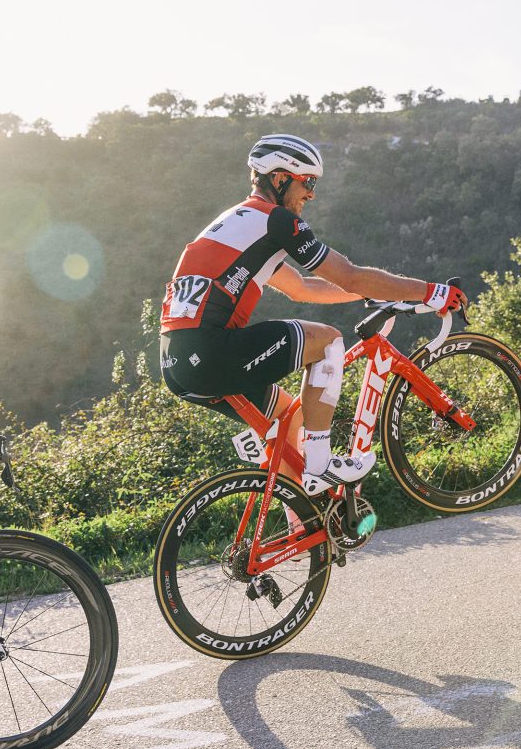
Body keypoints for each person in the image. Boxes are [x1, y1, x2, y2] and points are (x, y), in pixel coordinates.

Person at [159, 134, 467, 490]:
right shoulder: (275, 219)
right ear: (279, 179)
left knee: (289, 421)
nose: (311, 194)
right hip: (211, 351)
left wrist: (367, 296)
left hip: (176, 364)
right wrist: (434, 292)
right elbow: (350, 276)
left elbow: (302, 288)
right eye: (307, 182)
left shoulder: (238, 223)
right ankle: (321, 466)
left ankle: (300, 530)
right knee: (328, 341)